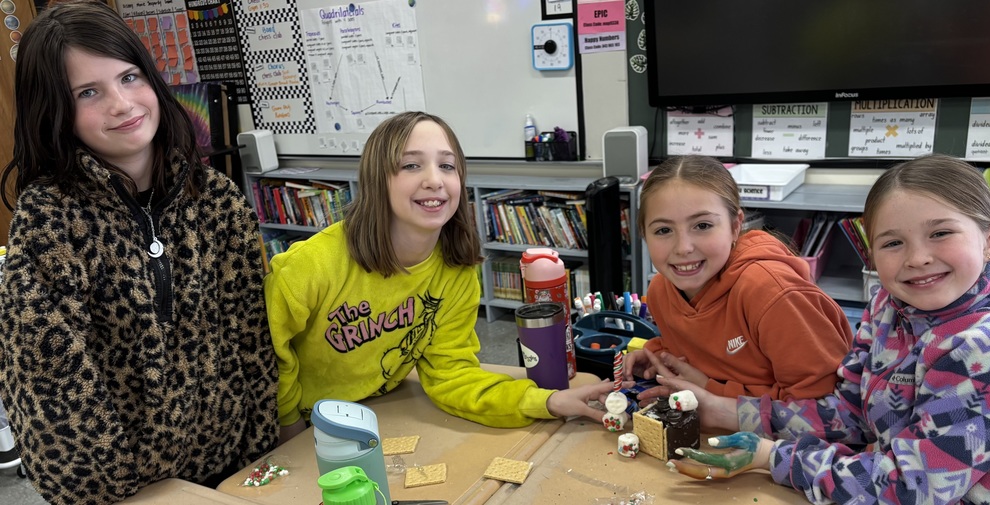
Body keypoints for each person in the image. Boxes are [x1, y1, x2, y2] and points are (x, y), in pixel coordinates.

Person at [0, 2, 278, 504]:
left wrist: (261, 450)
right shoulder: (48, 220)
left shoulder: (214, 196)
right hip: (121, 492)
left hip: (232, 471)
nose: (122, 104)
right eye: (89, 92)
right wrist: (117, 494)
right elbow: (52, 387)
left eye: (130, 78)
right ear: (56, 109)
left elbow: (252, 339)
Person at [646, 154, 990, 504]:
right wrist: (730, 412)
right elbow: (850, 413)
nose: (918, 258)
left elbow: (913, 489)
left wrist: (772, 457)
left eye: (940, 233)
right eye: (893, 242)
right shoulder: (890, 304)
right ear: (871, 254)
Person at [268, 111, 615, 444]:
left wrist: (547, 402)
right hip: (301, 423)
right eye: (411, 165)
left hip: (380, 411)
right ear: (377, 179)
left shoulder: (456, 270)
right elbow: (269, 353)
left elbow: (452, 375)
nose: (434, 180)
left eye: (447, 166)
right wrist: (289, 423)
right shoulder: (311, 265)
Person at [625, 155, 853, 400]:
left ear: (735, 226)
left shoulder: (771, 293)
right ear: (644, 235)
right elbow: (700, 355)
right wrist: (658, 354)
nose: (683, 248)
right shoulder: (661, 288)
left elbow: (827, 408)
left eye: (702, 226)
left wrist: (711, 390)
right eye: (663, 230)